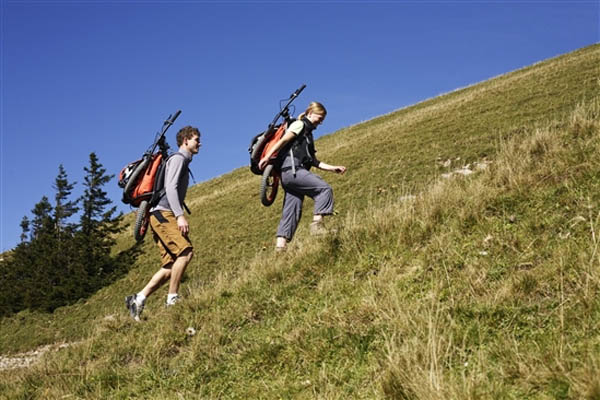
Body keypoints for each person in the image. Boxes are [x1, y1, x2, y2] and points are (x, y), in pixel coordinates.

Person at [125, 126, 201, 321]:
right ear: (185, 141)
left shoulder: (181, 160)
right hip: (163, 214)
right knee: (185, 252)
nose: (199, 143)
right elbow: (171, 187)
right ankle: (172, 299)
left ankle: (138, 299)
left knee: (170, 265)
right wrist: (179, 215)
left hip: (158, 214)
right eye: (196, 139)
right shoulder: (178, 159)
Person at [258, 101, 346, 251]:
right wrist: (267, 156)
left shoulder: (308, 137)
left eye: (323, 119)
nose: (321, 121)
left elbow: (314, 162)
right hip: (293, 170)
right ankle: (317, 226)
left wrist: (333, 168)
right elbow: (284, 139)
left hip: (289, 176)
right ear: (310, 113)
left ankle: (280, 247)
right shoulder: (300, 125)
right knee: (324, 189)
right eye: (320, 117)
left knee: (292, 210)